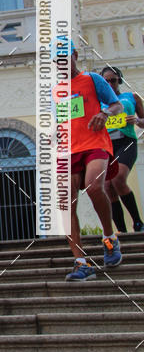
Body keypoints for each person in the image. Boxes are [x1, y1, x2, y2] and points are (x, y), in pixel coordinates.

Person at [55, 42, 124, 281]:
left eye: (65, 57)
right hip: (68, 150)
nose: (62, 63)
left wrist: (104, 113)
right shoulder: (56, 91)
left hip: (95, 144)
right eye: (57, 60)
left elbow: (116, 104)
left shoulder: (93, 79)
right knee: (66, 204)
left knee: (95, 187)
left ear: (74, 56)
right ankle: (81, 263)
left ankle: (109, 238)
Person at [100, 65, 144, 233]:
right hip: (106, 145)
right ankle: (122, 231)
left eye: (114, 80)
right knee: (107, 186)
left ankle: (138, 222)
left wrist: (137, 122)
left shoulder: (131, 97)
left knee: (118, 178)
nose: (111, 84)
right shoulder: (99, 102)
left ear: (120, 80)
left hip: (126, 142)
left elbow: (143, 120)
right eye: (106, 81)